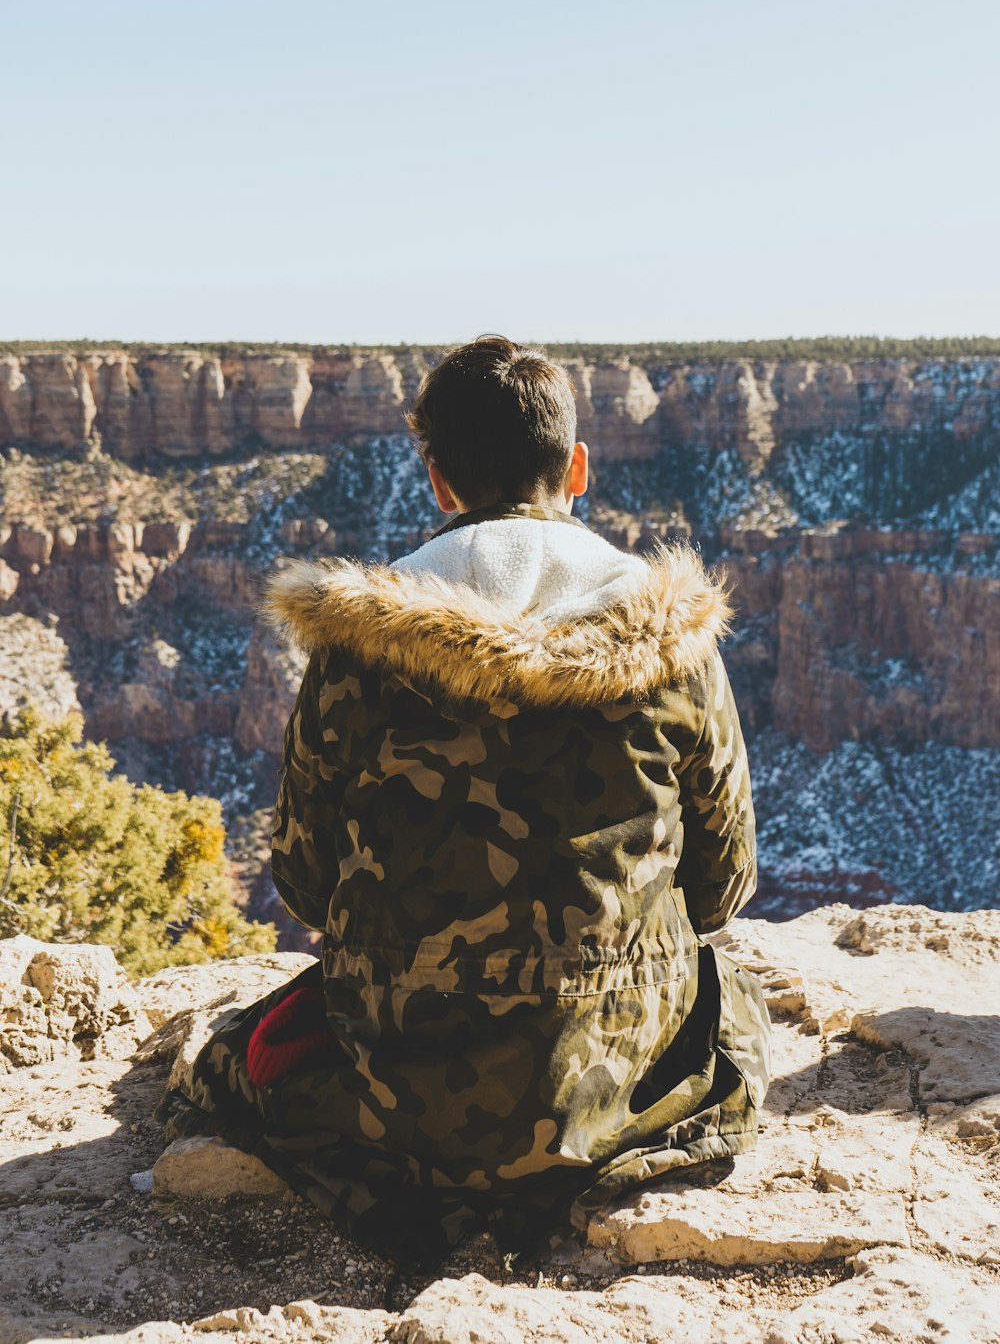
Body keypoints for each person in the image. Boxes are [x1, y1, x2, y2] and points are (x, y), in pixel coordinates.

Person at [160, 335, 771, 1267]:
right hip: (611, 1093)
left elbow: (306, 883)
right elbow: (722, 889)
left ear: (439, 483)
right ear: (577, 467)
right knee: (734, 1012)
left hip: (398, 1096)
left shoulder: (356, 651)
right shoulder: (674, 646)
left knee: (253, 1051)